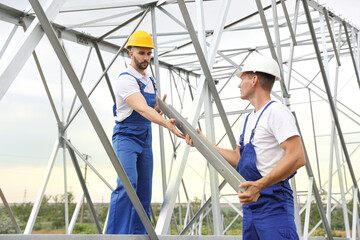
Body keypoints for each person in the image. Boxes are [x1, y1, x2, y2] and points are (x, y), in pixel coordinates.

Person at [186, 54, 306, 239]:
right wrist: (204, 142)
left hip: (274, 205)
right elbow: (238, 159)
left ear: (255, 80)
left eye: (242, 79)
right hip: (251, 205)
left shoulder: (277, 112)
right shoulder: (249, 118)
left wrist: (259, 185)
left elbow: (297, 157)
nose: (239, 84)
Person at [107, 30, 184, 234]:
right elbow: (141, 108)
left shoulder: (149, 79)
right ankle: (116, 236)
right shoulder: (125, 79)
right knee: (127, 184)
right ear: (130, 52)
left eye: (149, 54)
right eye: (141, 53)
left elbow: (151, 109)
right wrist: (166, 123)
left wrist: (159, 109)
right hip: (126, 137)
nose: (146, 58)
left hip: (145, 137)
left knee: (144, 190)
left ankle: (139, 234)